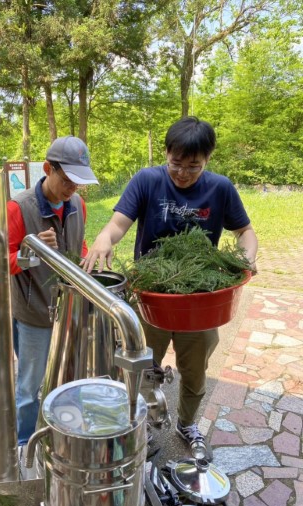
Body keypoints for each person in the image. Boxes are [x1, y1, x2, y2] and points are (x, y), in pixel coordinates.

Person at [81, 116, 258, 455]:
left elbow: (245, 232)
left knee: (195, 371)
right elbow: (119, 223)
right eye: (176, 164)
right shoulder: (147, 180)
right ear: (166, 153)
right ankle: (141, 425)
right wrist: (105, 238)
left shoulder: (220, 188)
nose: (182, 173)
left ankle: (187, 422)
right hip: (151, 296)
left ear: (207, 159)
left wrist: (247, 256)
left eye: (193, 167)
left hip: (201, 299)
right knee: (141, 367)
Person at [7, 135, 99, 469]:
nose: (73, 187)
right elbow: (0, 260)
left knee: (68, 376)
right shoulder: (19, 207)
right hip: (33, 312)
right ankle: (23, 444)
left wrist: (89, 260)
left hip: (69, 309)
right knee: (30, 385)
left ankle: (61, 432)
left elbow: (81, 244)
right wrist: (29, 253)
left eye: (79, 181)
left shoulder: (78, 206)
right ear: (48, 169)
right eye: (67, 179)